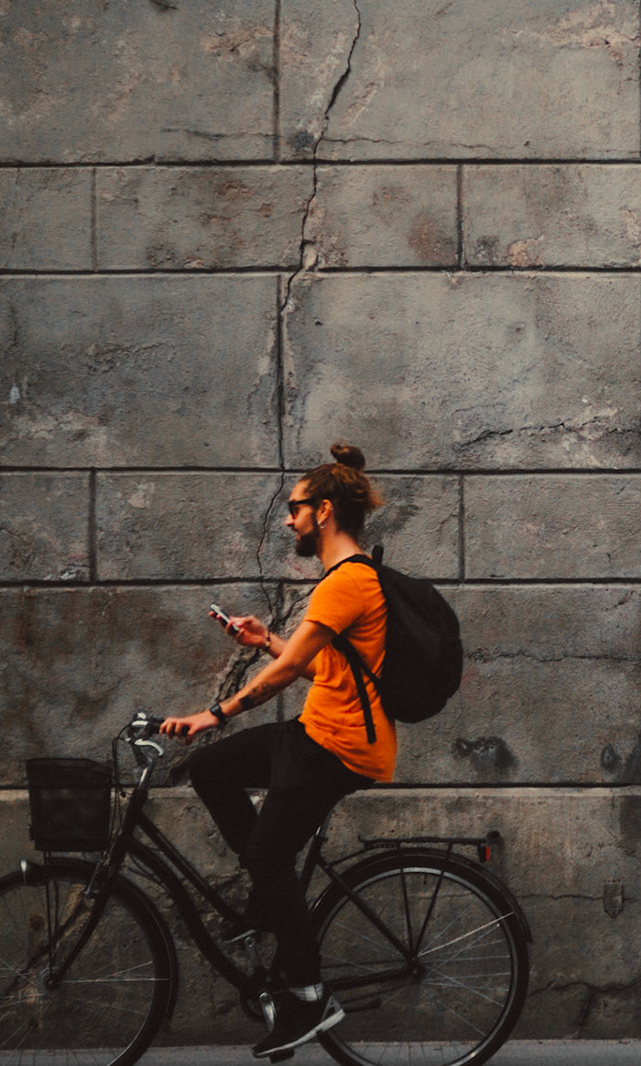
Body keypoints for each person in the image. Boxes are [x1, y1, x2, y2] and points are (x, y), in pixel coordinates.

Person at [160, 442, 396, 1059]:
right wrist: (267, 641)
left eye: (293, 509)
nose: (286, 520)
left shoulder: (347, 583)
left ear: (322, 512)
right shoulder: (342, 581)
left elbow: (289, 675)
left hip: (340, 749)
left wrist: (210, 714)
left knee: (266, 852)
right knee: (209, 769)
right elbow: (320, 671)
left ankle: (310, 997)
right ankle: (271, 903)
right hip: (316, 732)